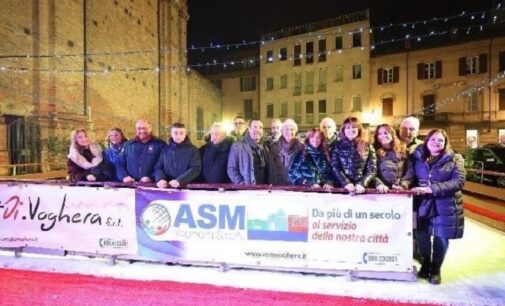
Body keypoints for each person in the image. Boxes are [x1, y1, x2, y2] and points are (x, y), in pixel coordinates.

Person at [402, 129, 465, 285]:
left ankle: (436, 269)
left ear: (445, 143)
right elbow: (410, 175)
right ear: (427, 141)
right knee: (421, 235)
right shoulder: (417, 157)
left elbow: (458, 182)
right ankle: (426, 263)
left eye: (440, 140)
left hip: (446, 204)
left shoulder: (455, 159)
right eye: (433, 140)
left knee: (441, 237)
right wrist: (404, 184)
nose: (437, 143)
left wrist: (431, 189)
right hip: (422, 202)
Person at [331, 116, 376, 193]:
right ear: (344, 130)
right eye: (348, 128)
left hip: (361, 188)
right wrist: (345, 183)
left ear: (359, 129)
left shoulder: (367, 146)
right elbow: (335, 166)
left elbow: (372, 169)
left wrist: (362, 183)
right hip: (342, 187)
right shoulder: (337, 145)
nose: (351, 130)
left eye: (354, 127)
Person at [117, 119, 165, 183]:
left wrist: (151, 177)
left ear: (150, 129)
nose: (142, 131)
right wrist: (124, 176)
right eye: (139, 128)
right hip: (130, 185)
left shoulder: (160, 145)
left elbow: (163, 165)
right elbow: (120, 164)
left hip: (152, 185)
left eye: (144, 128)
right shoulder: (128, 145)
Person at [155, 123, 201, 188]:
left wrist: (179, 181)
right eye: (175, 133)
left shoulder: (193, 150)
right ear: (171, 134)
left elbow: (195, 168)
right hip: (167, 186)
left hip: (186, 187)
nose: (178, 136)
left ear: (185, 134)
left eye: (181, 133)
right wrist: (160, 179)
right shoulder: (165, 150)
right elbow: (158, 167)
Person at [227, 119, 271, 184]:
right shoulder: (238, 145)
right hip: (247, 189)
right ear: (249, 129)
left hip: (263, 189)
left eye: (260, 128)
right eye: (255, 127)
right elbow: (231, 169)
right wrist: (241, 183)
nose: (258, 130)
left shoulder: (265, 146)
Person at [373, 124, 408, 193]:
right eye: (379, 134)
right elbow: (371, 172)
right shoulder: (373, 151)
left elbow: (410, 170)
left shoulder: (403, 149)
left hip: (400, 189)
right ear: (376, 137)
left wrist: (403, 184)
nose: (383, 136)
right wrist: (379, 184)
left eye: (386, 133)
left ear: (392, 134)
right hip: (381, 189)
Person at [269, 118, 304, 185]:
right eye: (286, 129)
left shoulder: (301, 147)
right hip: (278, 184)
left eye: (292, 129)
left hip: (296, 184)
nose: (289, 132)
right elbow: (271, 168)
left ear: (295, 131)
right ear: (282, 131)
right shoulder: (274, 147)